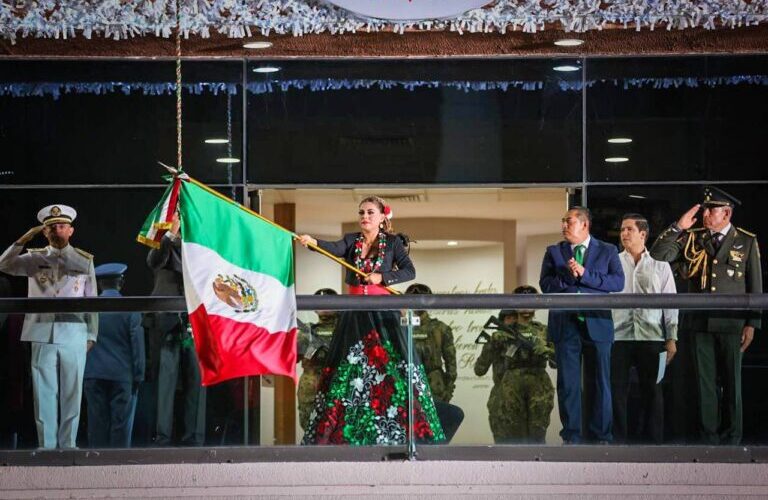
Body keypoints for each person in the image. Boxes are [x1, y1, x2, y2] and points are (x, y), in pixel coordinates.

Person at [297, 196, 445, 445]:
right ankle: (346, 434)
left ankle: (395, 433)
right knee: (350, 370)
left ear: (382, 217)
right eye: (361, 213)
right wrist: (313, 242)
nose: (364, 217)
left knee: (388, 368)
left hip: (382, 314)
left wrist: (382, 278)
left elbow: (410, 271)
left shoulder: (393, 243)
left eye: (370, 213)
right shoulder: (350, 240)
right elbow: (331, 248)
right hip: (354, 314)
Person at [650, 186, 762, 445]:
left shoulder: (746, 240)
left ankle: (732, 437)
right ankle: (708, 438)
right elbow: (658, 254)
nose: (706, 214)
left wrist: (752, 323)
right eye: (705, 209)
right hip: (700, 322)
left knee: (732, 383)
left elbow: (754, 287)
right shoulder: (693, 237)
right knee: (705, 384)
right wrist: (678, 227)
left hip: (732, 322)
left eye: (712, 210)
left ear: (727, 213)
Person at [0, 204, 98, 449]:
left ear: (71, 231)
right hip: (42, 332)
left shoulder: (84, 260)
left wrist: (92, 334)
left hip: (74, 333)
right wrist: (24, 239)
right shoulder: (35, 257)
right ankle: (47, 445)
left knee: (72, 393)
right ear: (45, 232)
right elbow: (4, 264)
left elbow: (92, 299)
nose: (57, 230)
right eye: (52, 227)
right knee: (43, 393)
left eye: (62, 226)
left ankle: (68, 444)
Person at [539, 206, 624, 444]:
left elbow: (617, 282)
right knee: (568, 385)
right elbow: (545, 284)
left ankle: (602, 436)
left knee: (601, 383)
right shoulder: (554, 252)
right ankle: (572, 436)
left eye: (569, 221)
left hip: (597, 323)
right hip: (566, 324)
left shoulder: (608, 250)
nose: (564, 226)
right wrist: (568, 279)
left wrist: (585, 275)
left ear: (584, 225)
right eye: (563, 221)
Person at [612, 214, 678, 444]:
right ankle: (618, 442)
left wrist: (671, 338)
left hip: (651, 336)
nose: (624, 234)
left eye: (629, 229)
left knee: (653, 392)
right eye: (622, 229)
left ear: (643, 234)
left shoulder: (660, 265)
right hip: (618, 337)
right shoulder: (613, 262)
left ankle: (653, 442)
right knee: (617, 393)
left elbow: (671, 304)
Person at [145, 212, 206, 446]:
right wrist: (170, 234)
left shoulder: (199, 245)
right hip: (167, 321)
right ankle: (162, 438)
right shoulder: (163, 240)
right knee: (165, 382)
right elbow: (154, 261)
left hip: (195, 320)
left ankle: (195, 438)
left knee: (196, 382)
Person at [474, 286, 555, 444]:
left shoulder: (545, 331)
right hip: (511, 388)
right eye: (521, 301)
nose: (525, 306)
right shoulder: (503, 333)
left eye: (530, 301)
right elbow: (479, 369)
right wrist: (493, 343)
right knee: (512, 438)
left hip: (540, 386)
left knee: (538, 436)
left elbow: (557, 363)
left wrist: (546, 350)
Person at [84, 263, 145, 448]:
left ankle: (95, 470)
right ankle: (119, 472)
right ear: (121, 282)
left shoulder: (89, 308)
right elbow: (137, 345)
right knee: (121, 428)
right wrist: (139, 374)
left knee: (97, 426)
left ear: (100, 285)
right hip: (122, 375)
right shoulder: (129, 309)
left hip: (93, 373)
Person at [404, 283, 457, 404]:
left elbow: (451, 364)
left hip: (434, 387)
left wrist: (447, 390)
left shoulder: (441, 329)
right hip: (407, 386)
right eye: (413, 299)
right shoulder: (402, 327)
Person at [296, 288, 339, 432]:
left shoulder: (344, 331)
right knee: (310, 428)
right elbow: (291, 357)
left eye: (329, 303)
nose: (325, 308)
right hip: (311, 388)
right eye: (321, 303)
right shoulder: (306, 332)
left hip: (337, 385)